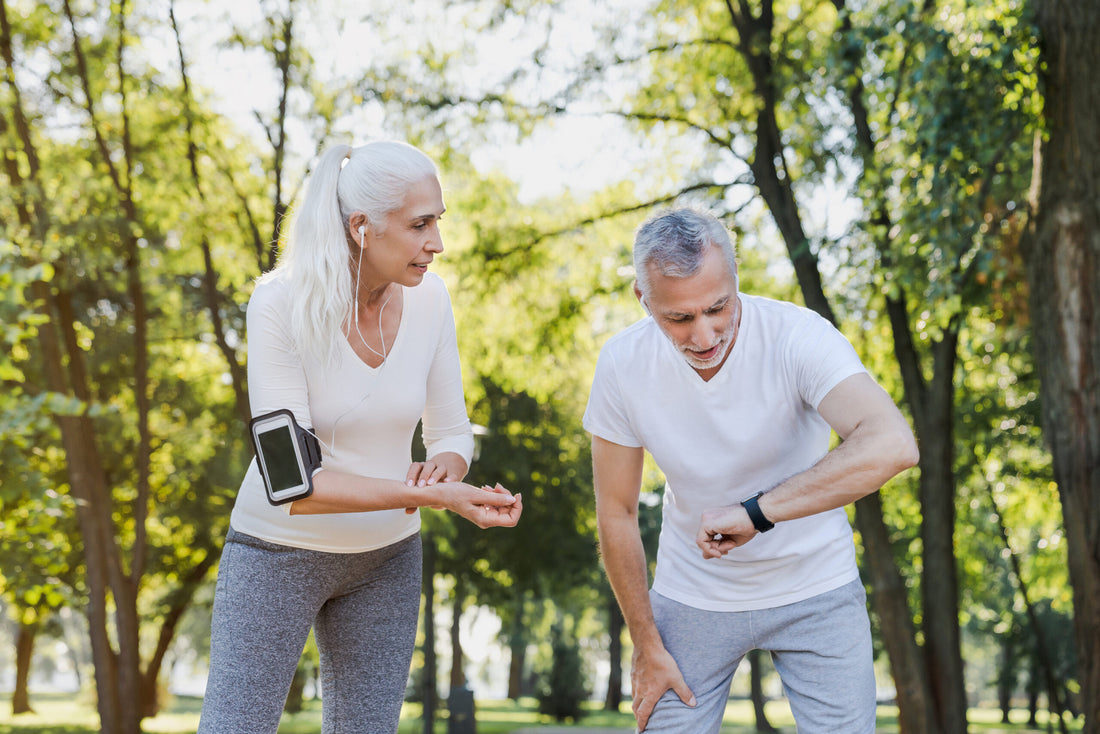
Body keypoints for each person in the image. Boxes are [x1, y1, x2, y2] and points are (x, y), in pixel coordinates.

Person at [198, 141, 523, 733]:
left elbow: (449, 430)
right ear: (362, 228)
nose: (437, 243)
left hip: (387, 558)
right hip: (277, 553)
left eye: (438, 223)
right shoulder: (278, 303)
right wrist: (429, 497)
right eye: (420, 224)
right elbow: (293, 485)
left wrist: (445, 469)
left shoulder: (432, 300)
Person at [583, 208, 919, 733]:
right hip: (692, 594)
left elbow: (892, 443)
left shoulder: (797, 336)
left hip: (817, 587)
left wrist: (757, 513)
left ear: (735, 278)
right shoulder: (623, 364)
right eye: (679, 318)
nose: (705, 333)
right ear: (642, 300)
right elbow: (617, 511)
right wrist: (646, 644)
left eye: (718, 307)